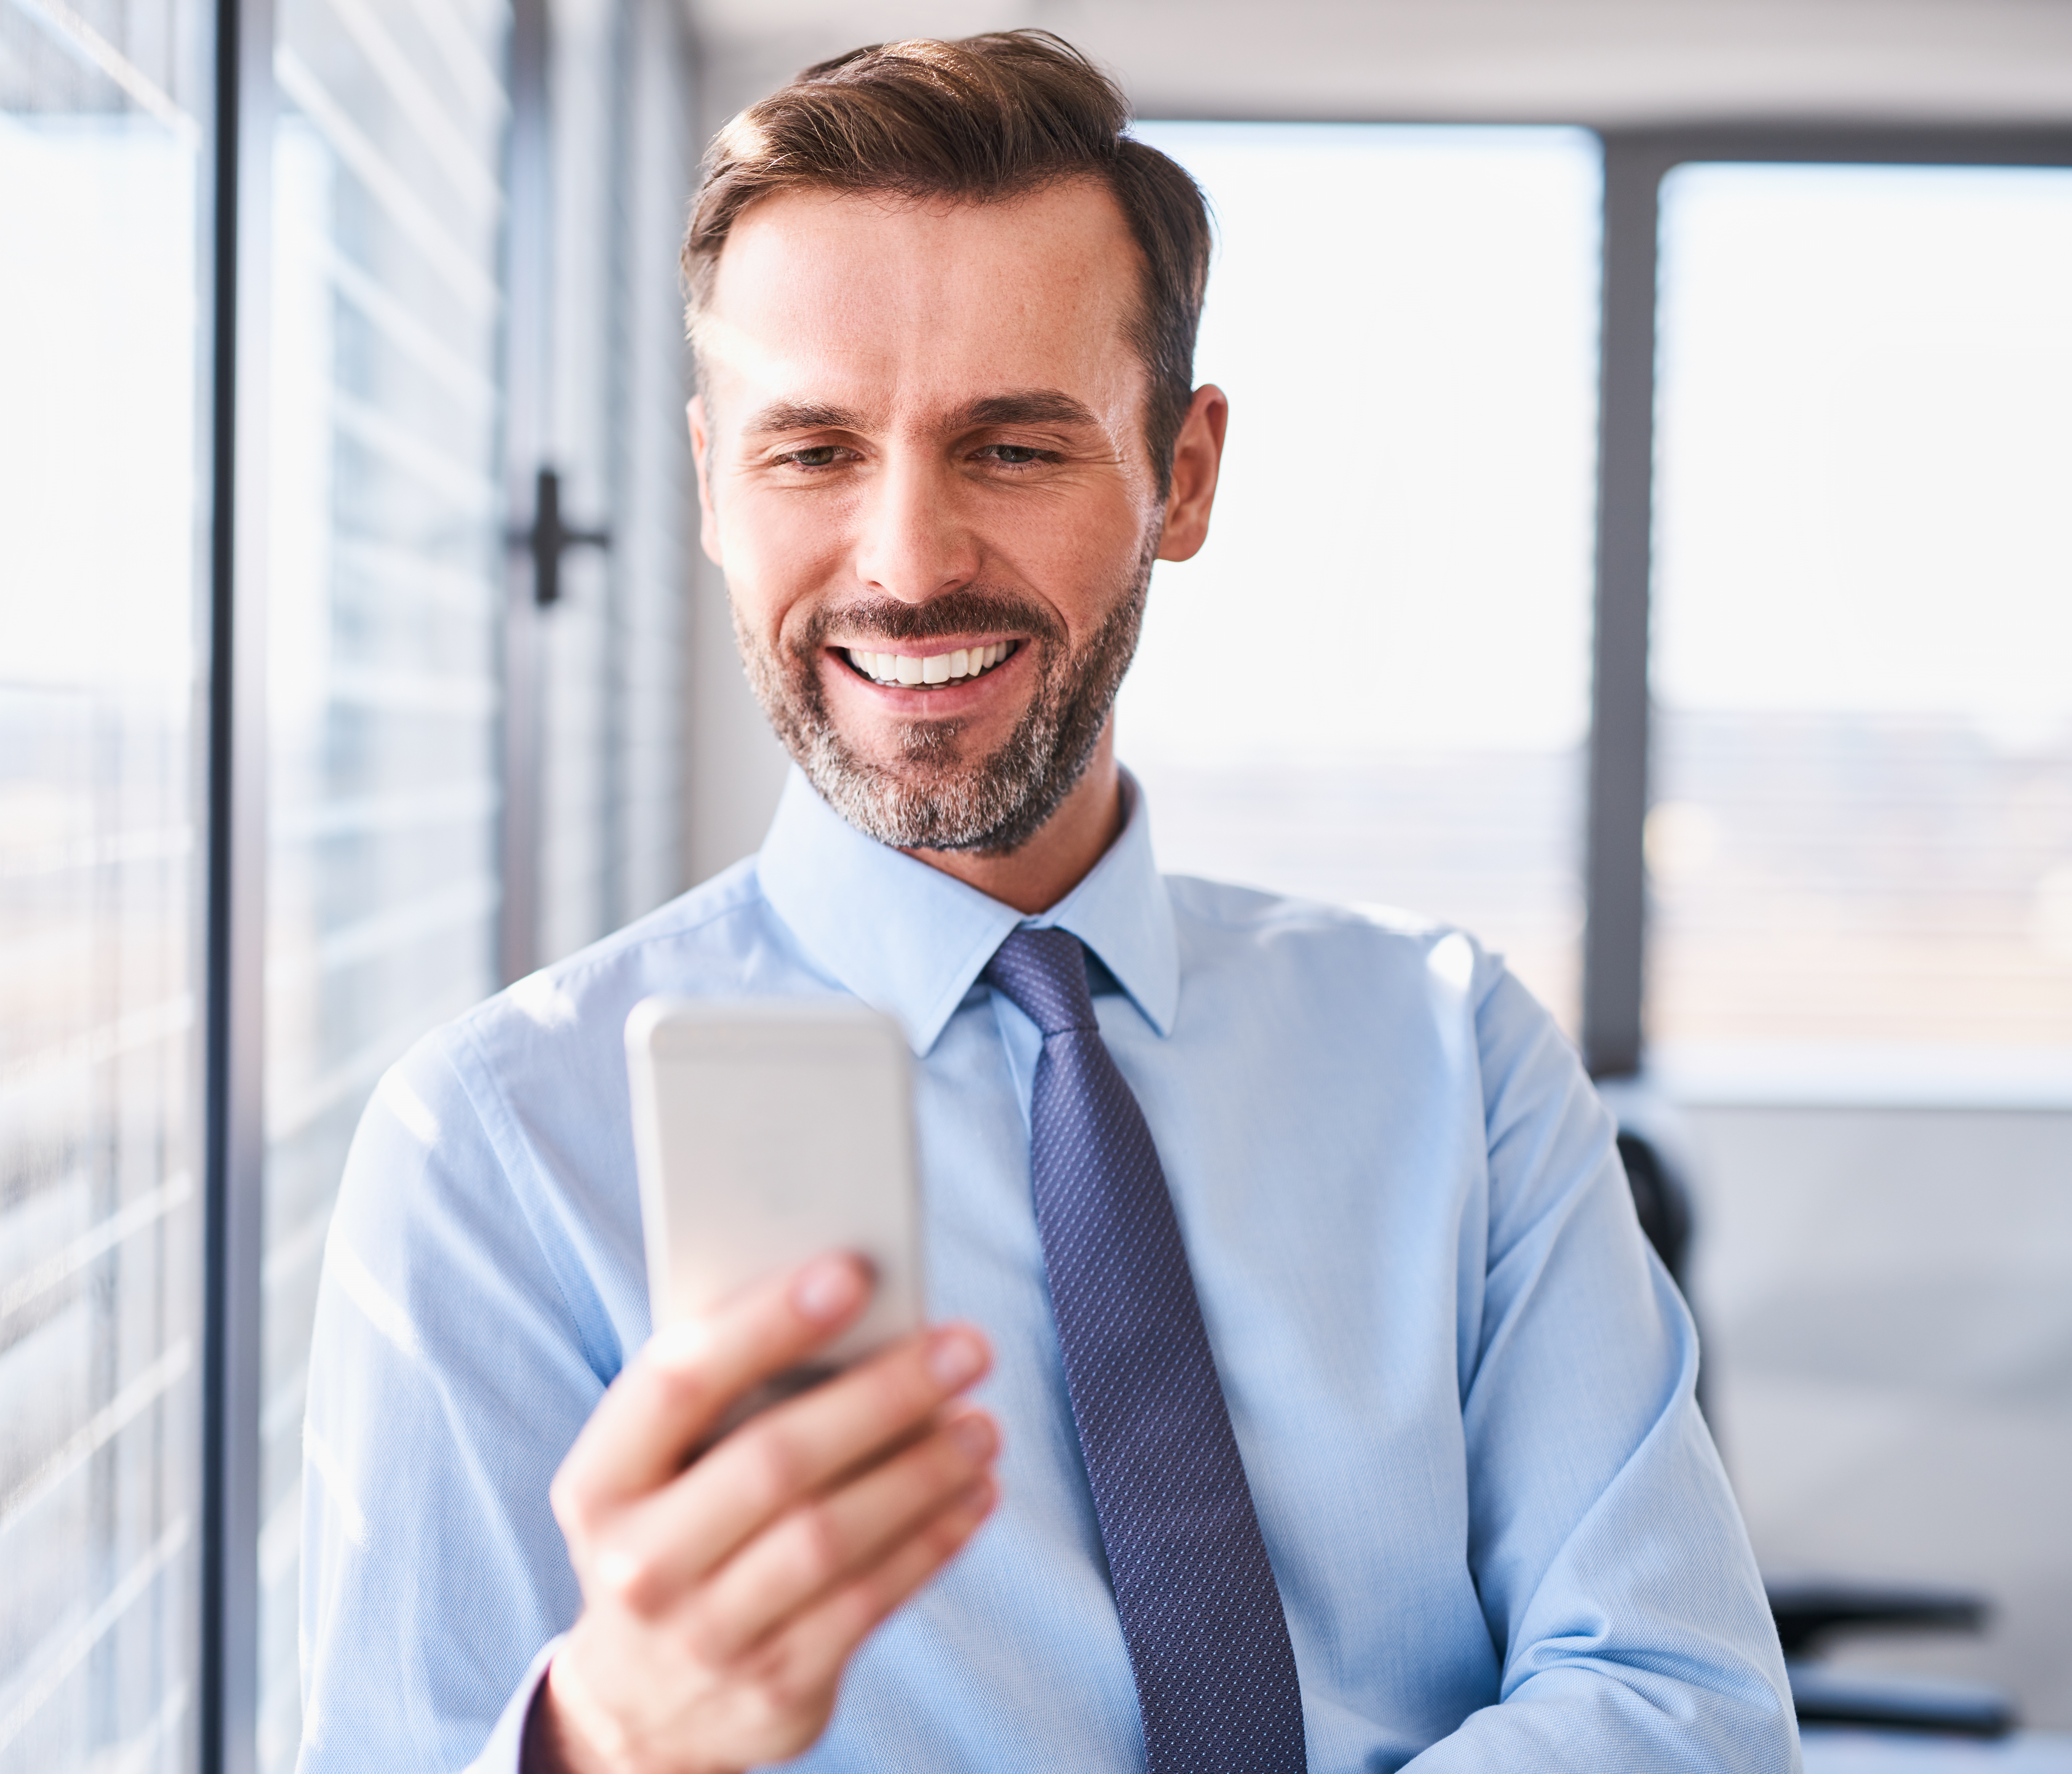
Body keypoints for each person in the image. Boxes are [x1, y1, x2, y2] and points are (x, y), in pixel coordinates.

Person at [295, 30, 1795, 1774]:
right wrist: (598, 1741)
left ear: (1186, 471)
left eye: (1010, 449)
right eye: (814, 452)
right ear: (712, 482)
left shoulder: (1453, 1057)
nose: (911, 559)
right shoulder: (495, 1149)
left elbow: (1683, 1701)